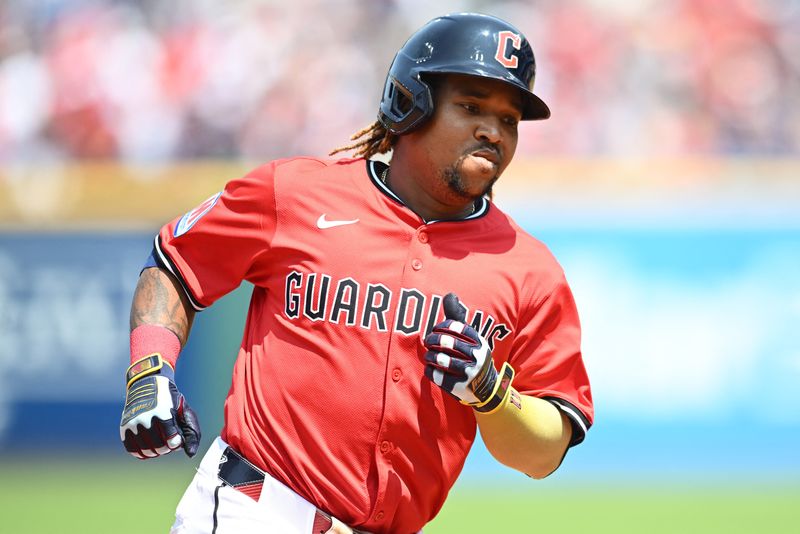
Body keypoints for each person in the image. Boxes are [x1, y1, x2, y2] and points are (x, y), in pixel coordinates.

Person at [119, 12, 593, 534]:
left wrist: (492, 393)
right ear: (412, 104)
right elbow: (176, 262)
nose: (493, 130)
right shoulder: (296, 194)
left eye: (509, 119)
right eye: (472, 106)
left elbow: (544, 453)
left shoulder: (529, 270)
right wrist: (148, 371)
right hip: (257, 509)